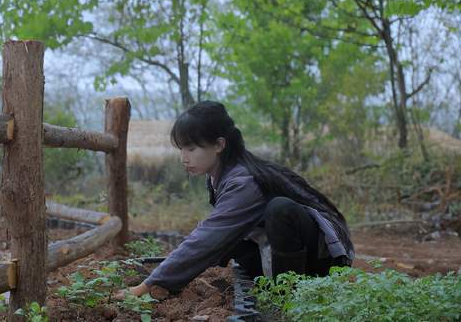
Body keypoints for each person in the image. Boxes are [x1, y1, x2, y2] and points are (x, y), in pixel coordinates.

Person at [116, 100, 354, 298]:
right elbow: (213, 235)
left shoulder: (243, 181)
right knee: (229, 238)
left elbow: (208, 238)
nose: (183, 158)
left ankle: (288, 297)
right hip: (281, 249)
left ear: (219, 144)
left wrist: (146, 286)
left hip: (326, 259)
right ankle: (272, 285)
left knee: (279, 209)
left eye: (191, 149)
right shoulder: (218, 176)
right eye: (181, 149)